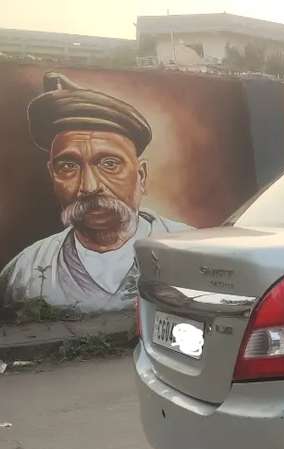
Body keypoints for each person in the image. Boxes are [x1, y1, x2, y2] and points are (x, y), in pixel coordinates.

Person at [0, 72, 188, 313]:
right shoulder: (26, 271)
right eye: (68, 166)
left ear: (141, 176)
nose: (89, 186)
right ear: (52, 178)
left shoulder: (191, 250)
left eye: (109, 164)